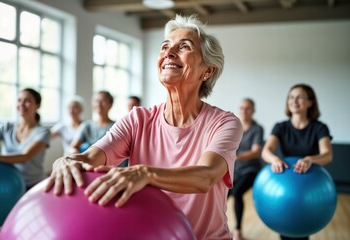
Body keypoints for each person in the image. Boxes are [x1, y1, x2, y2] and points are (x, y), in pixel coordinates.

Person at [45, 15, 243, 239]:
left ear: (207, 71)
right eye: (165, 46)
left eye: (184, 46)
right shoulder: (138, 119)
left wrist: (144, 173)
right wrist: (67, 161)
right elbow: (90, 158)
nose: (168, 53)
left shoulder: (224, 123)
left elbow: (206, 176)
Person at [261, 83, 333, 240]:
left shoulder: (320, 128)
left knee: (302, 229)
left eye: (300, 97)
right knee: (285, 228)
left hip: (309, 186)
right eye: (291, 97)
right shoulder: (280, 127)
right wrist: (274, 159)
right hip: (284, 185)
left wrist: (310, 159)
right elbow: (266, 151)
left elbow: (327, 155)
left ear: (310, 102)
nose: (294, 100)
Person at [0, 88, 50, 240]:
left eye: (27, 100)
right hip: (4, 186)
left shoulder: (42, 132)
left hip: (30, 187)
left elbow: (25, 156)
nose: (22, 104)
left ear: (37, 105)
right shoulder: (7, 127)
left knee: (22, 227)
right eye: (19, 100)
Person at [228, 98, 264, 240]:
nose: (244, 111)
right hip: (235, 170)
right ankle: (219, 227)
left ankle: (237, 230)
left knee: (237, 193)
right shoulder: (234, 127)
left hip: (251, 170)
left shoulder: (257, 129)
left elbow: (255, 152)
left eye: (248, 108)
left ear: (253, 111)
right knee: (221, 195)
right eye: (242, 108)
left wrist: (235, 156)